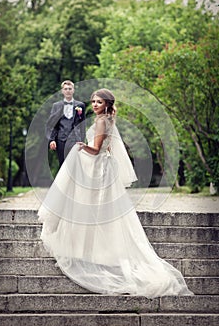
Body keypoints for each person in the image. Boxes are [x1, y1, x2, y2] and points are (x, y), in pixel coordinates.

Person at [38, 88, 193, 298]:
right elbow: (108, 148)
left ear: (107, 104)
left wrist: (82, 147)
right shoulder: (109, 119)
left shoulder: (102, 121)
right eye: (93, 101)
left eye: (98, 102)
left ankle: (89, 251)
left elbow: (97, 149)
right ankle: (95, 250)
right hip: (103, 166)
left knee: (90, 205)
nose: (94, 105)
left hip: (98, 167)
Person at [46, 80, 86, 167]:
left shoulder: (80, 105)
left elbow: (82, 124)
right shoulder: (56, 106)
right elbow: (52, 124)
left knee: (75, 164)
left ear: (73, 90)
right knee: (63, 164)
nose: (68, 91)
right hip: (61, 139)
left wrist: (83, 141)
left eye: (70, 89)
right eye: (66, 89)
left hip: (76, 140)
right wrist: (52, 139)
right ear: (62, 91)